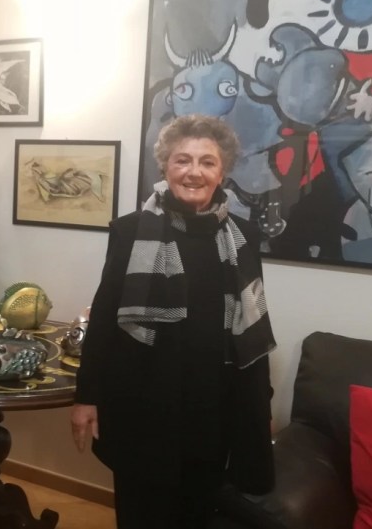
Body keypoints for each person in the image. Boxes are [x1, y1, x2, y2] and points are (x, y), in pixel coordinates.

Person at [70, 114, 277, 529]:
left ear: (222, 172)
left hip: (213, 407)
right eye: (183, 160)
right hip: (142, 402)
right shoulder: (131, 231)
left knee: (197, 513)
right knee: (141, 513)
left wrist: (260, 403)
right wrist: (86, 397)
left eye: (207, 162)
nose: (194, 172)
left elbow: (251, 323)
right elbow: (106, 316)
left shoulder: (243, 237)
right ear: (165, 166)